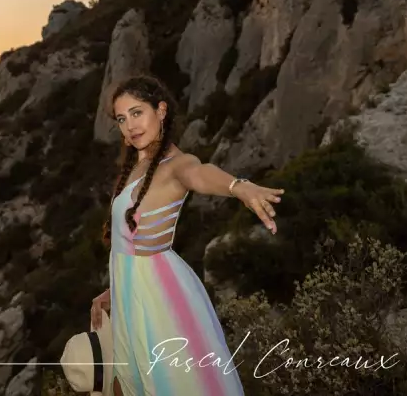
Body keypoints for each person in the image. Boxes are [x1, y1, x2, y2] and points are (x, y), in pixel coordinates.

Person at [90, 74, 284, 396]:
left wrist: (239, 187)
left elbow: (200, 173)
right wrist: (115, 289)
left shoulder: (175, 165)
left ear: (161, 110)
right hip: (132, 296)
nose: (130, 126)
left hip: (159, 300)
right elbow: (130, 243)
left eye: (137, 113)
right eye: (122, 119)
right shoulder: (137, 166)